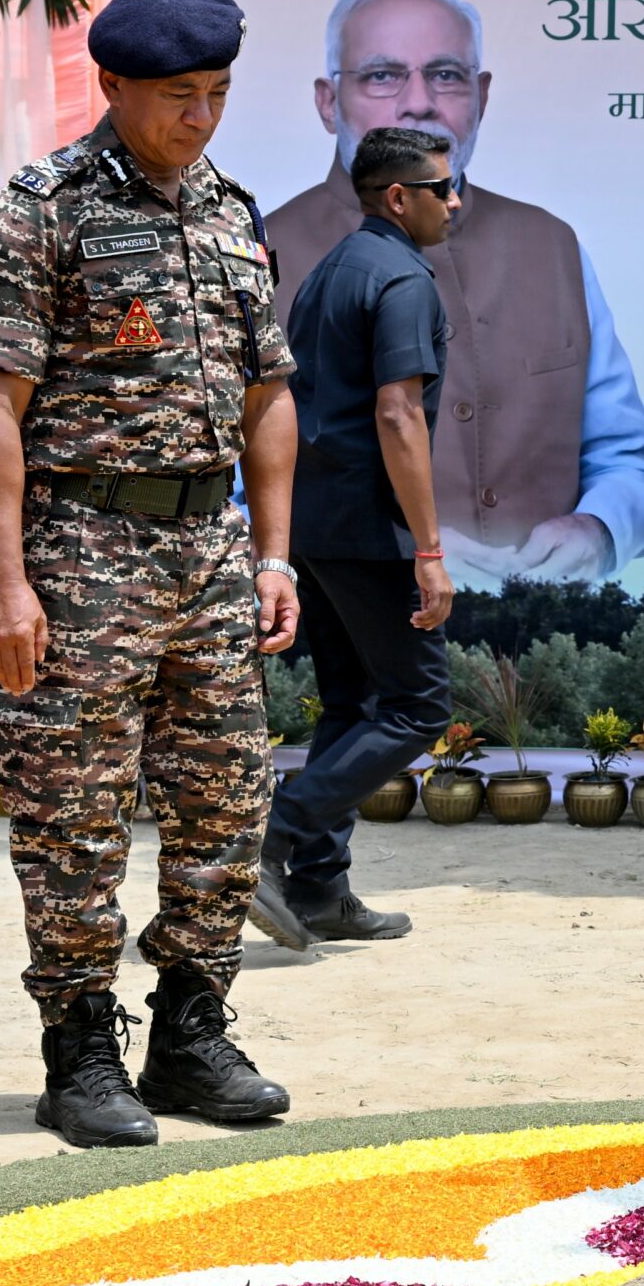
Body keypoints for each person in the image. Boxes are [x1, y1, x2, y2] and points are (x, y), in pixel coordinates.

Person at [0, 0, 301, 1149]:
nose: (197, 117)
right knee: (74, 814)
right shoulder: (35, 211)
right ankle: (77, 1049)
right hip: (82, 551)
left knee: (224, 800)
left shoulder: (230, 212)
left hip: (211, 555)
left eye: (214, 94)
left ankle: (192, 1034)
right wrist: (5, 583)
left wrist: (275, 555)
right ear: (111, 86)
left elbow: (268, 395)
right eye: (175, 97)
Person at [262, 0, 644, 590]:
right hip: (337, 634)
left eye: (445, 75)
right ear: (326, 100)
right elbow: (227, 485)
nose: (419, 101)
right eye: (382, 75)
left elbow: (622, 457)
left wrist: (601, 529)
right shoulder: (264, 253)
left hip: (543, 638)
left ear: (481, 96)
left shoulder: (552, 245)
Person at [248, 128, 463, 950]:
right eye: (443, 187)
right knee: (418, 706)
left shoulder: (335, 269)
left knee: (354, 702)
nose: (455, 201)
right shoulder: (404, 278)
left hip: (314, 522)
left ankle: (320, 891)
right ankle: (272, 835)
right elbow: (397, 412)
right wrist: (431, 549)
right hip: (368, 529)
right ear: (398, 198)